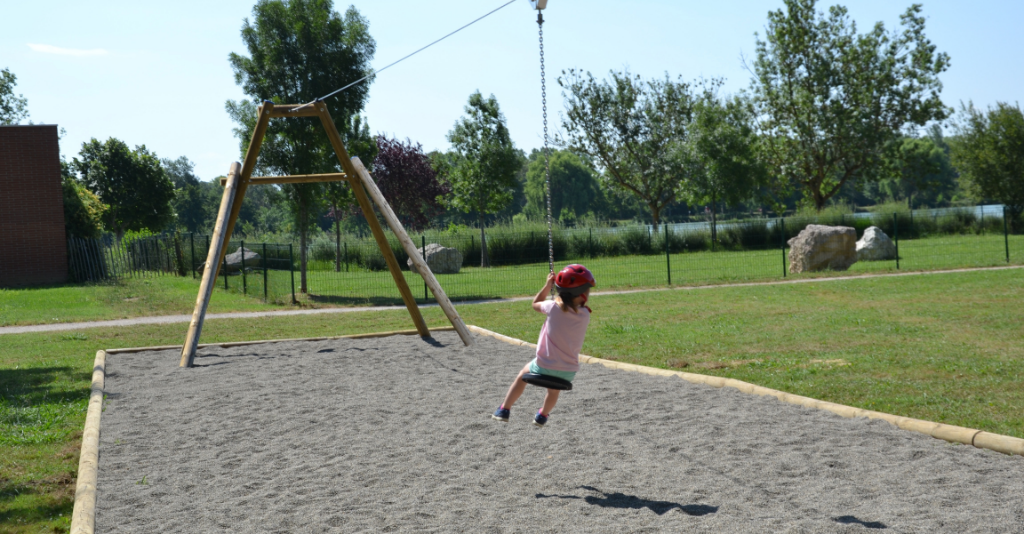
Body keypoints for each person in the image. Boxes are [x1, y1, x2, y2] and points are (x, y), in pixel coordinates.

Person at [492, 264, 595, 427]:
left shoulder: (552, 306)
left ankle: (504, 409)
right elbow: (568, 308)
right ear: (582, 294)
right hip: (568, 372)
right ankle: (542, 415)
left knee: (521, 376)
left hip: (542, 366)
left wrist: (547, 286)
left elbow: (535, 303)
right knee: (553, 390)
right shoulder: (585, 315)